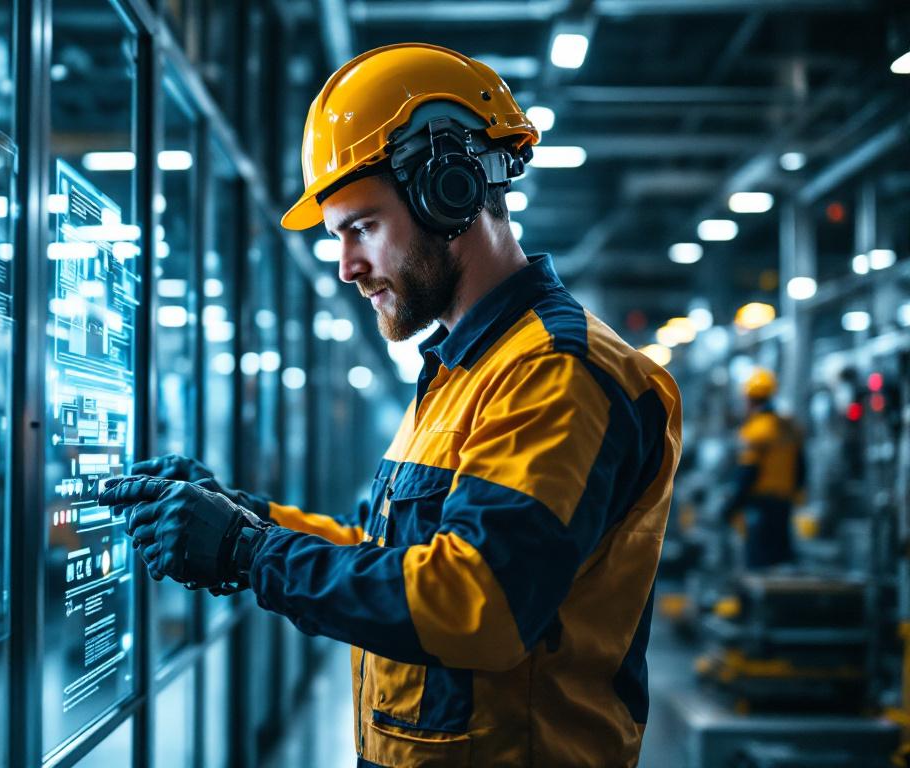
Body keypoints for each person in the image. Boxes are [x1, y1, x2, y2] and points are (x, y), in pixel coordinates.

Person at [100, 43, 682, 767]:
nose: (347, 266)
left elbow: (481, 602)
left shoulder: (557, 371)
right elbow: (398, 560)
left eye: (361, 228)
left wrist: (249, 552)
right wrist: (247, 517)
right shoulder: (461, 370)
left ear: (450, 190)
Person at [722, 368, 804, 568]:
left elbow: (748, 471)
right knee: (780, 561)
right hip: (784, 501)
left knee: (758, 562)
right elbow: (801, 465)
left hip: (761, 503)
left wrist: (732, 505)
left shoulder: (755, 431)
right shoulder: (789, 426)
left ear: (749, 399)